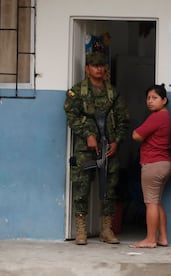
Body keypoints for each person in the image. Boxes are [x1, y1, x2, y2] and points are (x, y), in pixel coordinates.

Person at [64, 52, 130, 245]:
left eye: (102, 65)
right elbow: (72, 116)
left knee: (109, 189)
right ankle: (81, 230)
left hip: (109, 149)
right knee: (81, 187)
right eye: (94, 65)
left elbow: (123, 120)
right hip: (86, 150)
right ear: (87, 69)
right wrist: (87, 135)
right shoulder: (77, 92)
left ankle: (106, 229)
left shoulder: (112, 93)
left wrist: (116, 141)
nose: (99, 68)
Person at [129, 84, 171, 248]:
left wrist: (139, 135)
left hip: (153, 164)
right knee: (157, 201)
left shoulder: (157, 116)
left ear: (164, 100)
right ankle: (163, 238)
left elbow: (136, 135)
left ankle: (150, 239)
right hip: (164, 163)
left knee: (150, 203)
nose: (150, 101)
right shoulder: (165, 116)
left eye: (154, 98)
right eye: (148, 98)